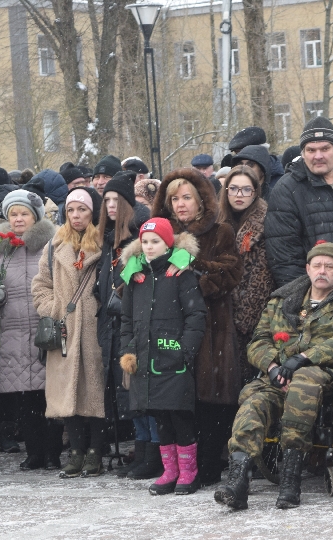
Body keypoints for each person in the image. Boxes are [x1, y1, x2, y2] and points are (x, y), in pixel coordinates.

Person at [215, 242, 333, 510]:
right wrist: (272, 367)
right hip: (279, 374)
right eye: (317, 265)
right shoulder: (282, 300)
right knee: (254, 402)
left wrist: (305, 358)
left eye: (329, 267)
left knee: (303, 386)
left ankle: (291, 480)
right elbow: (258, 340)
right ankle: (238, 481)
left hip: (322, 374)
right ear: (307, 269)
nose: (322, 271)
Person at [152, 168, 243, 485]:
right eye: (174, 199)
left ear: (201, 200)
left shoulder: (220, 232)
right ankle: (178, 467)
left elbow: (231, 273)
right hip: (169, 327)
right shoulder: (158, 236)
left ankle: (208, 463)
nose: (180, 204)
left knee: (210, 397)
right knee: (176, 398)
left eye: (186, 197)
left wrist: (194, 273)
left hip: (211, 326)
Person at [119, 218, 207, 495]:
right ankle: (170, 471)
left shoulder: (181, 273)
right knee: (160, 418)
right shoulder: (135, 276)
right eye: (145, 242)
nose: (149, 247)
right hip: (146, 360)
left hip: (174, 359)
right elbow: (126, 319)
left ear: (168, 244)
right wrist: (128, 350)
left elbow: (196, 315)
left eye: (155, 241)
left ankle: (189, 472)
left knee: (180, 417)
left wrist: (185, 350)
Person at [0, 189, 61, 471]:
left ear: (35, 216)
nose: (18, 219)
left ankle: (52, 452)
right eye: (13, 214)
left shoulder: (52, 244)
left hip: (45, 330)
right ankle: (34, 452)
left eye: (24, 214)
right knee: (25, 399)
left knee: (49, 395)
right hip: (13, 333)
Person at [32, 187, 107, 478]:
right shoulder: (54, 245)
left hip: (93, 329)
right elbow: (40, 285)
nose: (76, 216)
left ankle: (95, 451)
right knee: (67, 391)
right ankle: (75, 452)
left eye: (82, 210)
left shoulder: (102, 243)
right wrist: (53, 309)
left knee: (94, 391)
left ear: (92, 212)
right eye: (71, 210)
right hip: (64, 329)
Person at [264, 116, 333, 287]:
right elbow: (284, 259)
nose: (318, 156)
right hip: (311, 295)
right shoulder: (287, 189)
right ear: (303, 153)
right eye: (311, 150)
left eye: (325, 148)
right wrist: (306, 298)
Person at [93, 172, 154, 479]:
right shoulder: (109, 240)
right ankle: (141, 453)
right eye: (107, 201)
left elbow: (139, 283)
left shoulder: (139, 238)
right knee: (128, 394)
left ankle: (152, 455)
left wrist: (121, 298)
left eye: (116, 200)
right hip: (115, 325)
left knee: (141, 393)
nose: (111, 206)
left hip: (136, 325)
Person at [217, 166, 274, 380]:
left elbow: (262, 277)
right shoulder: (218, 221)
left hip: (248, 318)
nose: (239, 195)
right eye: (233, 189)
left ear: (255, 192)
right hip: (221, 312)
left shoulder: (264, 223)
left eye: (246, 189)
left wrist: (243, 319)